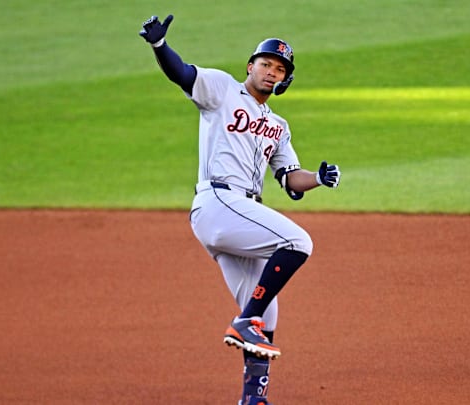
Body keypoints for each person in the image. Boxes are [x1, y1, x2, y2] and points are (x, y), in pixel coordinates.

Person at [140, 14, 341, 405]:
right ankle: (243, 320)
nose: (271, 72)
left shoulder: (279, 126)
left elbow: (289, 179)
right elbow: (181, 73)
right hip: (218, 201)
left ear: (285, 80)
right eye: (266, 64)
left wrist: (317, 177)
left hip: (239, 216)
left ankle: (253, 398)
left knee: (268, 317)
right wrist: (159, 47)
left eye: (279, 69)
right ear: (251, 66)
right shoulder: (221, 89)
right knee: (299, 241)